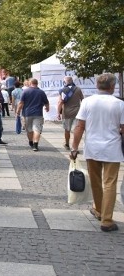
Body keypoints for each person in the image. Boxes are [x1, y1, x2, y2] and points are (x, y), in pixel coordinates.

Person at [70, 73, 124, 232]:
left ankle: (99, 210)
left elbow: (79, 127)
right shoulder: (119, 104)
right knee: (110, 183)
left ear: (97, 86)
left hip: (92, 148)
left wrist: (74, 147)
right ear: (112, 86)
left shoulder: (87, 102)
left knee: (96, 182)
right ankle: (107, 220)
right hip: (112, 149)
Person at [16, 78, 49, 152]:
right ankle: (35, 144)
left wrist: (18, 111)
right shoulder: (41, 92)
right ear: (37, 83)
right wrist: (47, 108)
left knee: (29, 130)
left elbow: (21, 103)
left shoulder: (25, 91)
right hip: (38, 114)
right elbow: (46, 102)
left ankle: (31, 142)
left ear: (30, 83)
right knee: (37, 129)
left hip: (27, 114)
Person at [57, 76, 84, 150]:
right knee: (77, 130)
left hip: (67, 112)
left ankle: (67, 144)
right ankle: (75, 147)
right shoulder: (78, 89)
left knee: (67, 129)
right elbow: (83, 100)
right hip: (77, 112)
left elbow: (60, 102)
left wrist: (58, 113)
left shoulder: (62, 90)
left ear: (65, 82)